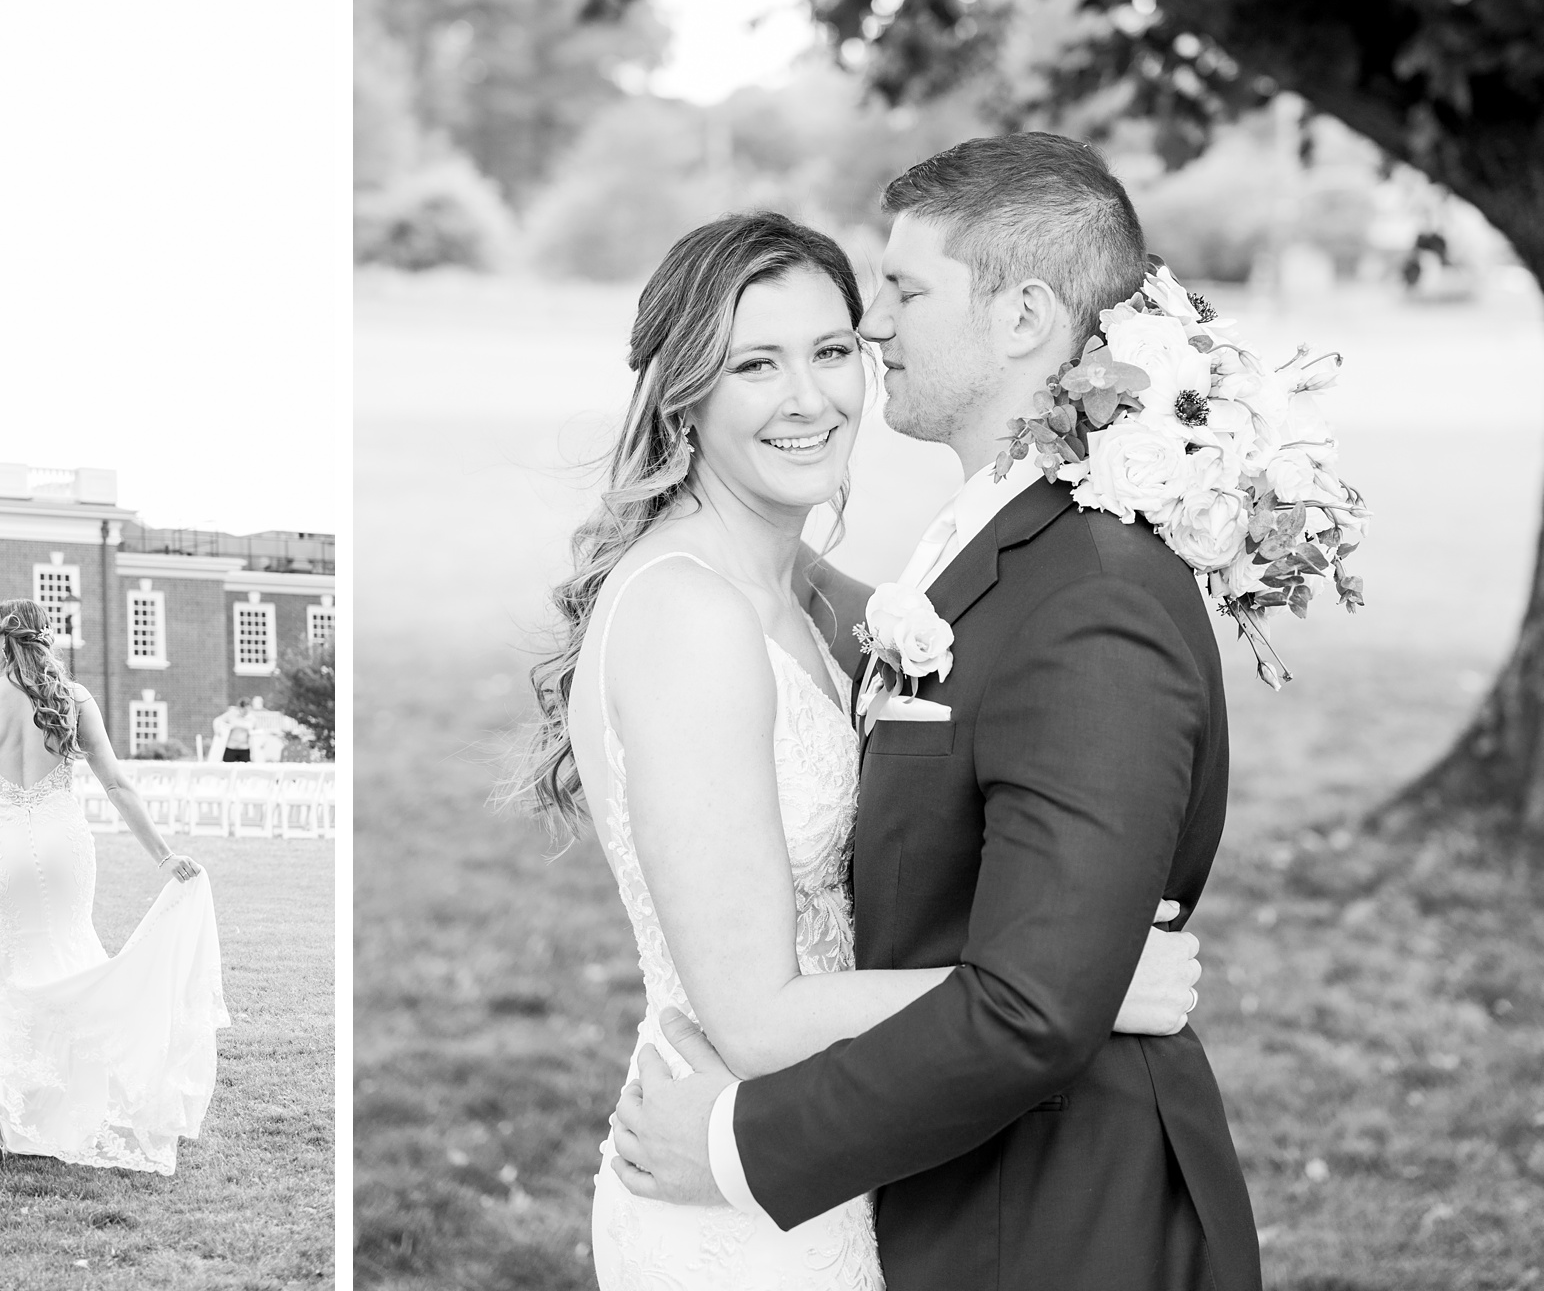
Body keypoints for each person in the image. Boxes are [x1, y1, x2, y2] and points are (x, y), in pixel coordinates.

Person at [529, 141, 1254, 1289]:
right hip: (735, 1177)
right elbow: (760, 1013)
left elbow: (999, 642)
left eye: (836, 343)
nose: (822, 386)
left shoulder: (819, 598)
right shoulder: (692, 618)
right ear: (682, 391)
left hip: (858, 1169)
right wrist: (1088, 987)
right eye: (754, 364)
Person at [0, 599, 227, 1174]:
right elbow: (117, 784)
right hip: (63, 845)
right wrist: (164, 856)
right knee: (70, 958)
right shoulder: (73, 699)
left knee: (6, 968)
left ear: (1, 642)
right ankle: (64, 1101)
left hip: (2, 848)